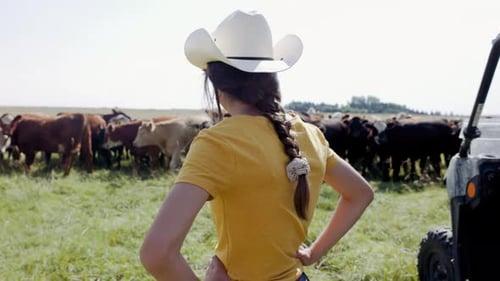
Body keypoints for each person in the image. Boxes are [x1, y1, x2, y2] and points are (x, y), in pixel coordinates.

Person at [139, 10, 374, 281]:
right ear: (271, 77)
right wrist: (313, 253)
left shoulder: (217, 142)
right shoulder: (310, 134)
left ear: (215, 83)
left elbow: (157, 253)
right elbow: (360, 193)